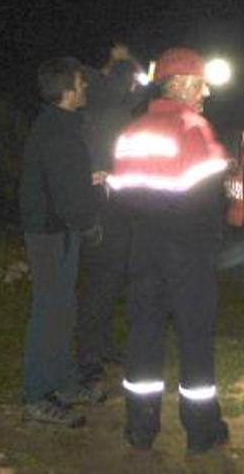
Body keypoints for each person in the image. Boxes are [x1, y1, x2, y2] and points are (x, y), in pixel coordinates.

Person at [106, 47, 230, 453]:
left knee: (143, 337)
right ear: (178, 84)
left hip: (142, 252)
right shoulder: (193, 127)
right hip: (188, 254)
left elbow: (120, 199)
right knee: (195, 340)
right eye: (200, 85)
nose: (205, 94)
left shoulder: (131, 132)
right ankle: (201, 431)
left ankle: (140, 428)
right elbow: (213, 203)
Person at [19, 57, 106, 428]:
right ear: (67, 91)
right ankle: (38, 394)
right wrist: (88, 224)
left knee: (63, 308)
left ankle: (64, 382)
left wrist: (87, 181)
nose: (85, 87)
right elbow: (63, 194)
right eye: (81, 83)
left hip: (57, 228)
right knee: (50, 311)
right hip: (51, 233)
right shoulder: (58, 131)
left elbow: (65, 181)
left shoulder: (61, 126)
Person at [76, 42, 150, 383]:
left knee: (109, 278)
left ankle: (101, 346)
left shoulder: (112, 103)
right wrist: (124, 60)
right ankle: (88, 355)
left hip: (115, 202)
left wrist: (119, 60)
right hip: (100, 203)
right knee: (100, 281)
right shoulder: (104, 106)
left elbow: (145, 85)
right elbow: (146, 84)